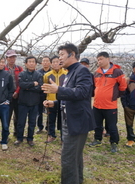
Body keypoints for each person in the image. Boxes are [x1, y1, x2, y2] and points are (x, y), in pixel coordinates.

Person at [42, 43, 95, 184]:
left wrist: (58, 90)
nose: (59, 58)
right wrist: (54, 103)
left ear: (72, 54)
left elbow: (82, 93)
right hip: (69, 120)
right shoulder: (69, 73)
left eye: (62, 55)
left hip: (77, 121)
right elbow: (71, 99)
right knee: (74, 158)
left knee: (68, 158)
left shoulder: (82, 71)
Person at [88, 51, 127, 153]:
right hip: (97, 104)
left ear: (107, 59)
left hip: (110, 105)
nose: (99, 61)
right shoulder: (97, 73)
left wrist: (114, 96)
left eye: (101, 59)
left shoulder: (117, 72)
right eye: (98, 60)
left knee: (112, 126)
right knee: (97, 124)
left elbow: (123, 87)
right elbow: (94, 87)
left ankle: (114, 143)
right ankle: (97, 139)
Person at [14, 56, 43, 146]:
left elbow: (39, 88)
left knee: (32, 122)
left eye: (33, 62)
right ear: (26, 64)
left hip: (34, 103)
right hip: (23, 102)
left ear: (36, 64)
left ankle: (30, 139)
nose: (31, 63)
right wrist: (33, 84)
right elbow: (22, 85)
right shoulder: (22, 74)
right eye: (29, 62)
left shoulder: (39, 75)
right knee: (21, 122)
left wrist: (28, 87)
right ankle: (19, 138)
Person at [43, 56, 67, 143]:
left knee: (62, 120)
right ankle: (51, 135)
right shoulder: (47, 75)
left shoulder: (66, 74)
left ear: (60, 63)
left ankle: (63, 137)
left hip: (63, 101)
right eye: (53, 62)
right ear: (51, 64)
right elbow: (45, 87)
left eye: (57, 62)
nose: (55, 64)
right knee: (51, 119)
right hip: (51, 100)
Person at [4, 50, 23, 137]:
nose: (12, 59)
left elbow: (22, 82)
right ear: (6, 58)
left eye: (14, 57)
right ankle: (6, 134)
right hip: (7, 96)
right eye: (10, 57)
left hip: (19, 96)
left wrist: (16, 92)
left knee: (18, 116)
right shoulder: (3, 69)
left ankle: (17, 133)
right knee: (7, 117)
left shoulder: (19, 69)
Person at [36, 56, 51, 133]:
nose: (45, 62)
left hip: (50, 94)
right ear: (41, 63)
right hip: (40, 94)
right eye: (44, 61)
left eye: (47, 61)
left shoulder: (52, 72)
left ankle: (48, 127)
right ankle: (40, 127)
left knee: (49, 111)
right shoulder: (38, 72)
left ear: (50, 63)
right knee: (39, 111)